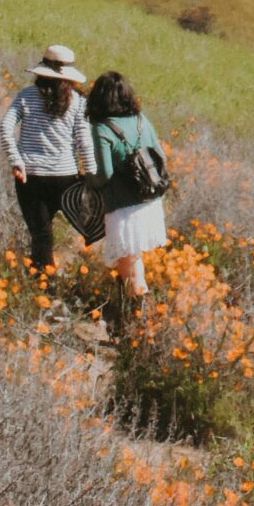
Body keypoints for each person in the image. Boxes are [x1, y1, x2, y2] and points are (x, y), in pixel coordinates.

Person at [0, 45, 93, 271]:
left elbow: (4, 127)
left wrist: (16, 160)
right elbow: (84, 142)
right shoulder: (79, 102)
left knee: (41, 235)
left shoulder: (26, 96)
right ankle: (94, 272)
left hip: (30, 176)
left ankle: (43, 286)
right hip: (66, 177)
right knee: (91, 228)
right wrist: (92, 174)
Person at [86, 71, 170, 320]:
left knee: (131, 271)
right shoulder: (141, 119)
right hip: (150, 204)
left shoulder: (102, 128)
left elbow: (104, 175)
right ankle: (133, 319)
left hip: (124, 209)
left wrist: (85, 179)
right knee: (134, 263)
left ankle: (141, 324)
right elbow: (161, 157)